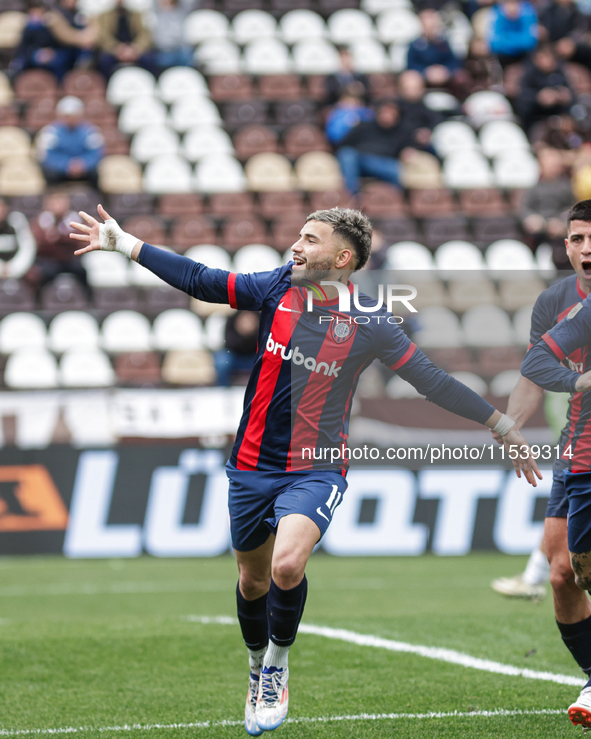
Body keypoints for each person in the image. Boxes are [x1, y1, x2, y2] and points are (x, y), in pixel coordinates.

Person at [69, 204, 539, 735]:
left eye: (310, 239)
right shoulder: (276, 287)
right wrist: (127, 244)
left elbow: (430, 379)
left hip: (315, 468)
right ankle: (254, 667)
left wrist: (499, 423)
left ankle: (276, 665)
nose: (297, 245)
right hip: (250, 466)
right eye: (298, 235)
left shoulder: (372, 323)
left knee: (286, 566)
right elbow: (203, 281)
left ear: (341, 258)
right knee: (251, 582)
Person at [513, 199, 591, 730]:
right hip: (578, 444)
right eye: (578, 240)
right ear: (566, 246)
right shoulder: (559, 302)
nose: (587, 250)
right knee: (563, 571)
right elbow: (534, 365)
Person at [336, 101, 413, 194]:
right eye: (384, 112)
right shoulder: (363, 126)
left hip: (384, 163)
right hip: (359, 160)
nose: (386, 115)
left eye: (391, 113)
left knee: (397, 171)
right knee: (346, 154)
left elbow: (407, 150)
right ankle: (350, 196)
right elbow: (343, 144)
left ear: (397, 116)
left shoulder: (402, 132)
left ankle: (401, 199)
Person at [520, 147, 574, 262]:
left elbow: (571, 209)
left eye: (555, 165)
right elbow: (526, 209)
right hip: (539, 230)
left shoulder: (566, 187)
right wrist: (531, 219)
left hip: (559, 230)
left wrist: (561, 223)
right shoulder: (534, 188)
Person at [36, 96, 104, 186]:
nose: (71, 119)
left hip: (84, 169)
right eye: (67, 116)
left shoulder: (90, 131)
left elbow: (96, 153)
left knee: (96, 174)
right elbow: (47, 155)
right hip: (60, 170)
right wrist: (66, 165)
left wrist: (83, 164)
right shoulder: (50, 132)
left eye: (74, 115)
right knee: (49, 173)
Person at [29, 189, 87, 291]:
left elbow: (83, 240)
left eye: (61, 201)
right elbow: (37, 242)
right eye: (54, 202)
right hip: (47, 260)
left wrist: (59, 238)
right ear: (46, 205)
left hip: (71, 259)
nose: (58, 205)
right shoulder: (39, 221)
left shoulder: (76, 219)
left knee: (82, 271)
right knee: (42, 273)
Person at [517, 44, 574, 134]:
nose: (546, 61)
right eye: (542, 57)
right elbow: (521, 98)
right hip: (537, 119)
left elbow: (572, 95)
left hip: (559, 117)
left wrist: (565, 96)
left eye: (549, 57)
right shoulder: (530, 75)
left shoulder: (560, 73)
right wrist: (538, 97)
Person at [92, 0, 154, 79]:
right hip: (114, 51)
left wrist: (135, 48)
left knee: (149, 60)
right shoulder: (104, 15)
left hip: (134, 50)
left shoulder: (136, 14)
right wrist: (117, 49)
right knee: (104, 61)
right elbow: (104, 37)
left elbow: (144, 34)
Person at [406, 9, 463, 88]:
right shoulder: (415, 44)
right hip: (423, 77)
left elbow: (454, 61)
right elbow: (411, 65)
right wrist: (426, 72)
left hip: (444, 76)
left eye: (433, 26)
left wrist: (445, 70)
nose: (430, 29)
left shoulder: (444, 42)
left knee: (461, 77)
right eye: (427, 26)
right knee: (410, 79)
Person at [214, 310, 259, 387]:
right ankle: (222, 389)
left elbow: (265, 343)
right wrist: (244, 334)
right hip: (235, 356)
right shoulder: (232, 318)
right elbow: (228, 343)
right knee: (222, 362)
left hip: (254, 357)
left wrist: (251, 334)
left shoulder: (262, 318)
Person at [488, 0, 538, 66]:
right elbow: (494, 44)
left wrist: (507, 37)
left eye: (514, 3)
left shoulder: (529, 13)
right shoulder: (495, 14)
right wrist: (519, 39)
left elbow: (530, 42)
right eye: (509, 3)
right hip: (502, 58)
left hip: (524, 58)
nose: (512, 7)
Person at [149, 0, 195, 72]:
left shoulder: (182, 9)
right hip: (163, 50)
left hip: (181, 49)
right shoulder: (157, 10)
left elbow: (190, 2)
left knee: (188, 59)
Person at [0, 199, 36, 279]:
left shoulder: (17, 221)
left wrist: (13, 268)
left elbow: (28, 248)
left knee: (33, 276)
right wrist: (1, 268)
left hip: (18, 269)